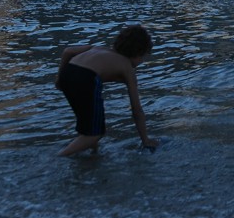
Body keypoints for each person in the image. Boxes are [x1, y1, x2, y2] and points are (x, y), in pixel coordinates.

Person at [55, 24, 158, 156]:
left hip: (68, 73)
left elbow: (67, 51)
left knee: (88, 125)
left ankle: (93, 156)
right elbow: (136, 109)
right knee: (96, 134)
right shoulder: (126, 67)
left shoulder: (97, 48)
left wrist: (59, 79)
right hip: (87, 79)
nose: (142, 61)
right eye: (143, 57)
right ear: (138, 52)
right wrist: (145, 140)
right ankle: (60, 156)